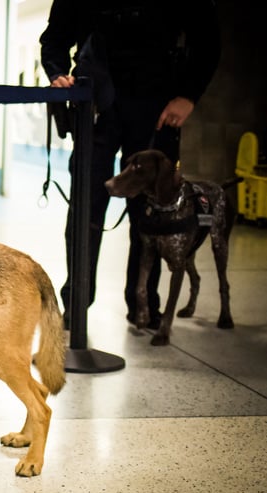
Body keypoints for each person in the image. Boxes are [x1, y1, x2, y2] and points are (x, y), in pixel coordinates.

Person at [39, 0, 220, 328]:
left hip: (157, 105)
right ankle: (76, 303)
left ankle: (144, 305)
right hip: (94, 101)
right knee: (85, 206)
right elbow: (54, 38)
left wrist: (189, 95)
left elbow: (207, 38)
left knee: (150, 210)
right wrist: (57, 73)